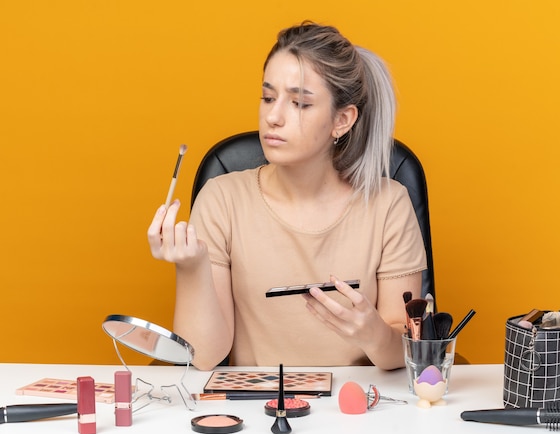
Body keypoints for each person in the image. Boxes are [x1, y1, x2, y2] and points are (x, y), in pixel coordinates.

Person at [147, 21, 427, 371]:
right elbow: (203, 358)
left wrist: (373, 333)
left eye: (299, 103)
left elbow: (408, 352)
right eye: (267, 97)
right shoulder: (222, 199)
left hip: (361, 411)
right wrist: (191, 268)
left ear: (342, 119)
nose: (272, 117)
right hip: (256, 411)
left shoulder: (389, 204)